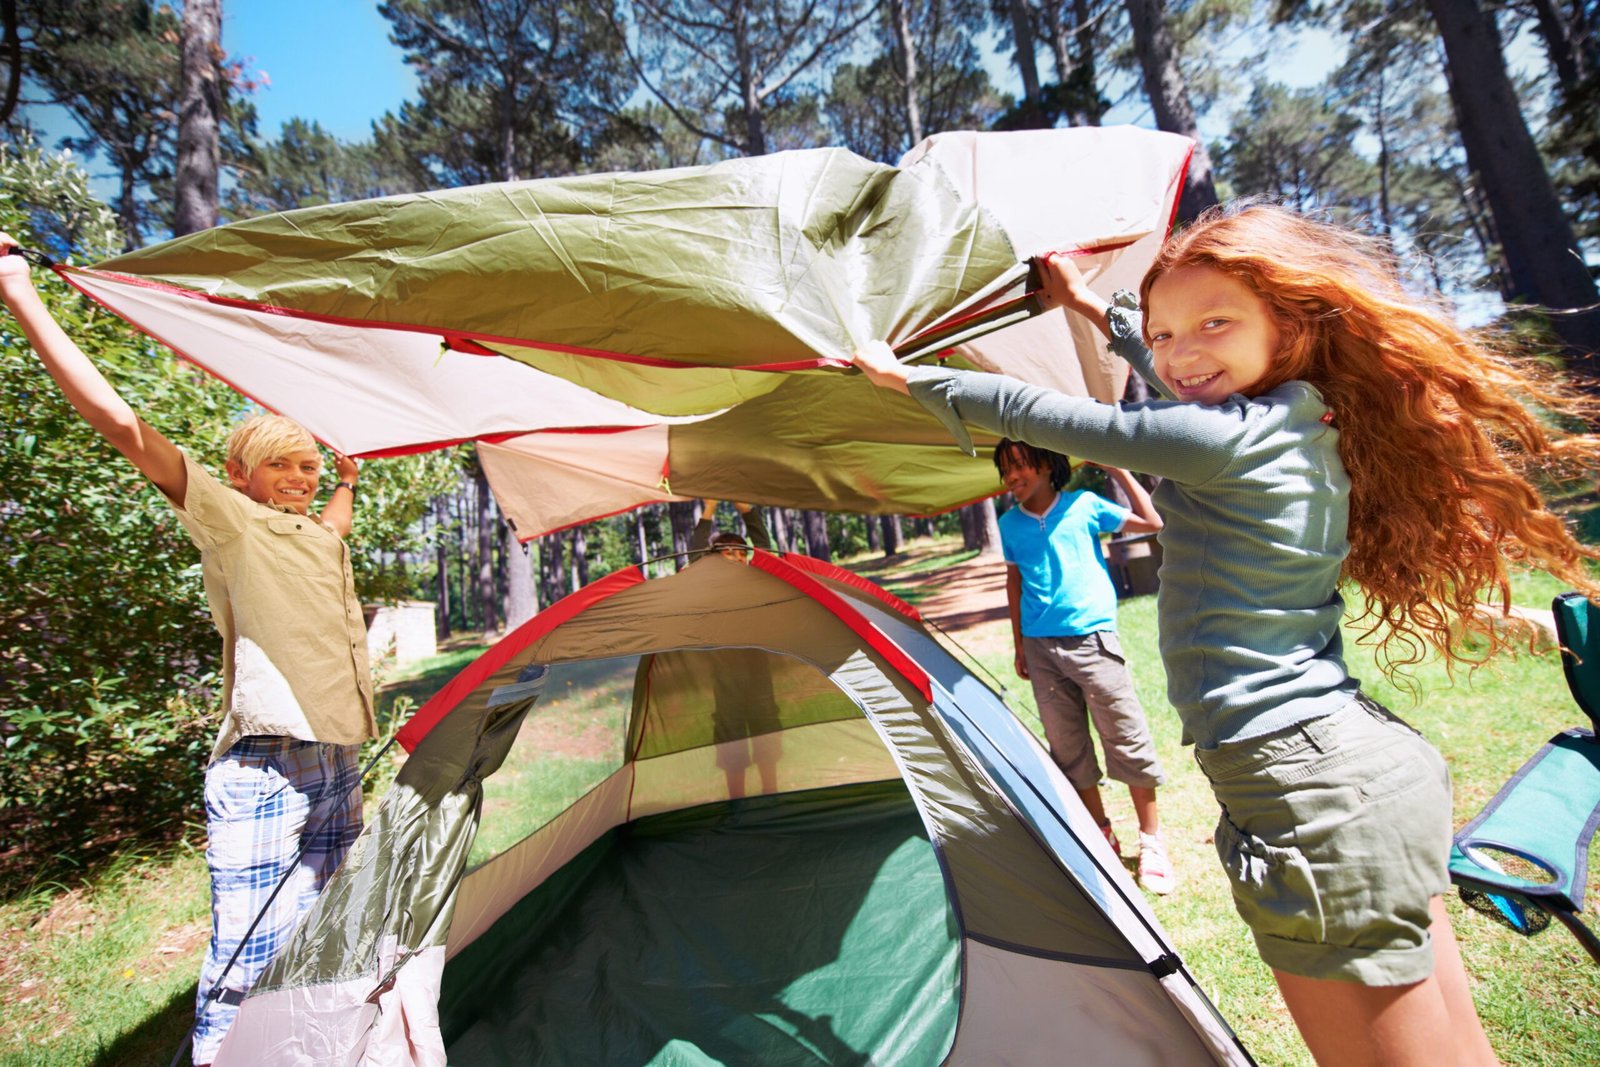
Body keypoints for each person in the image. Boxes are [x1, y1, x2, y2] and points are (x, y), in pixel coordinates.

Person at [852, 204, 1600, 1066]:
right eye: (1168, 331)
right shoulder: (1293, 415)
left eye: (1216, 321)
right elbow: (1175, 375)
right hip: (1351, 773)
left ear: (1291, 327)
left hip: (1310, 788)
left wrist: (904, 376)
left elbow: (1050, 415)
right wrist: (1096, 311)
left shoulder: (1224, 437)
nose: (1181, 350)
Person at [0, 236, 377, 1066]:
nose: (300, 475)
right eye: (279, 462)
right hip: (267, 762)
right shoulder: (229, 521)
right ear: (239, 474)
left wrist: (350, 471)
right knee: (245, 950)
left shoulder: (319, 536)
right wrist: (21, 294)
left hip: (339, 752)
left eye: (309, 465)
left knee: (327, 924)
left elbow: (337, 517)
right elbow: (123, 424)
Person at [994, 439, 1173, 893]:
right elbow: (1014, 582)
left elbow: (1152, 523)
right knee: (1067, 746)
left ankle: (1151, 840)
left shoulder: (1085, 505)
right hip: (1040, 648)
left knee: (1124, 735)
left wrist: (1119, 470)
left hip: (1094, 640)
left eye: (1020, 466)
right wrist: (1019, 644)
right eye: (1005, 470)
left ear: (1048, 466)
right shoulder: (1009, 524)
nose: (1012, 477)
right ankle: (1100, 834)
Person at [692, 499, 780, 795]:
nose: (736, 558)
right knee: (730, 735)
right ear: (715, 559)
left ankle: (772, 793)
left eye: (741, 553)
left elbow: (765, 549)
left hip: (759, 669)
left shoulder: (757, 580)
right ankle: (736, 802)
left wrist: (747, 509)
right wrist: (709, 510)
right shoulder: (708, 586)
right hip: (725, 675)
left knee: (766, 728)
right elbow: (695, 555)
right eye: (728, 553)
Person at [690, 497, 772, 560]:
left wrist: (744, 507)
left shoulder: (754, 577)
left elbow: (764, 551)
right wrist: (710, 507)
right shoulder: (709, 577)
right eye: (729, 553)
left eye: (743, 554)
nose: (739, 558)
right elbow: (697, 558)